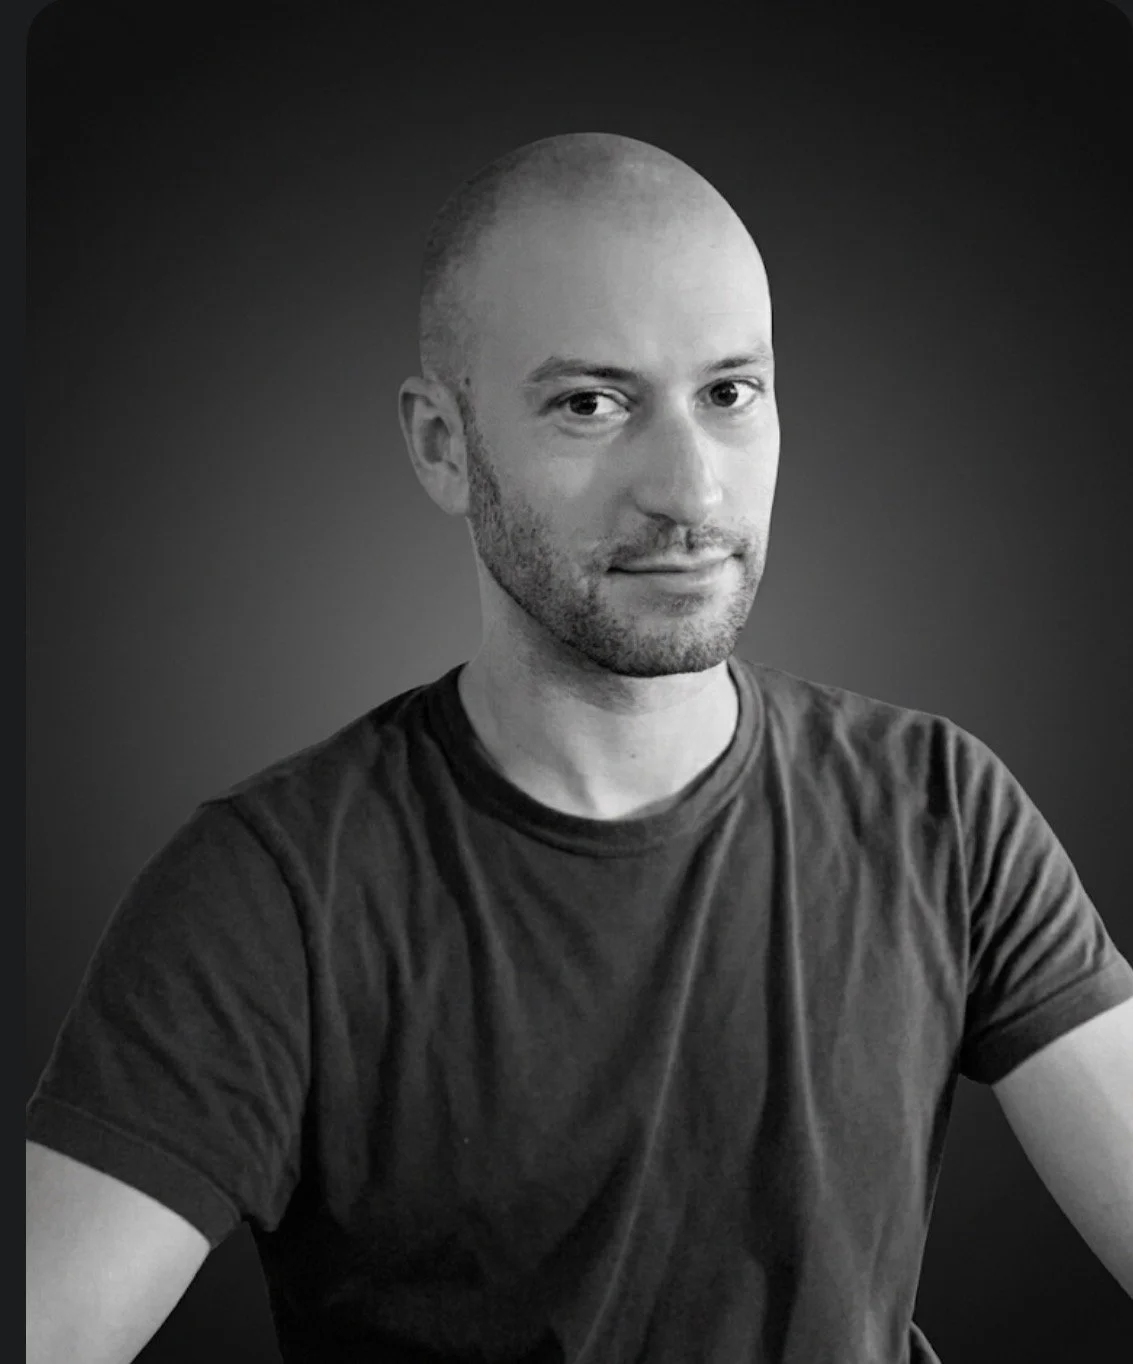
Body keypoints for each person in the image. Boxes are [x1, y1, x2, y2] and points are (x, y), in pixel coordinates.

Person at [25, 131, 1133, 1364]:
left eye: (728, 392)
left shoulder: (938, 808)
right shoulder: (275, 891)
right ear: (442, 445)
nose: (691, 490)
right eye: (590, 404)